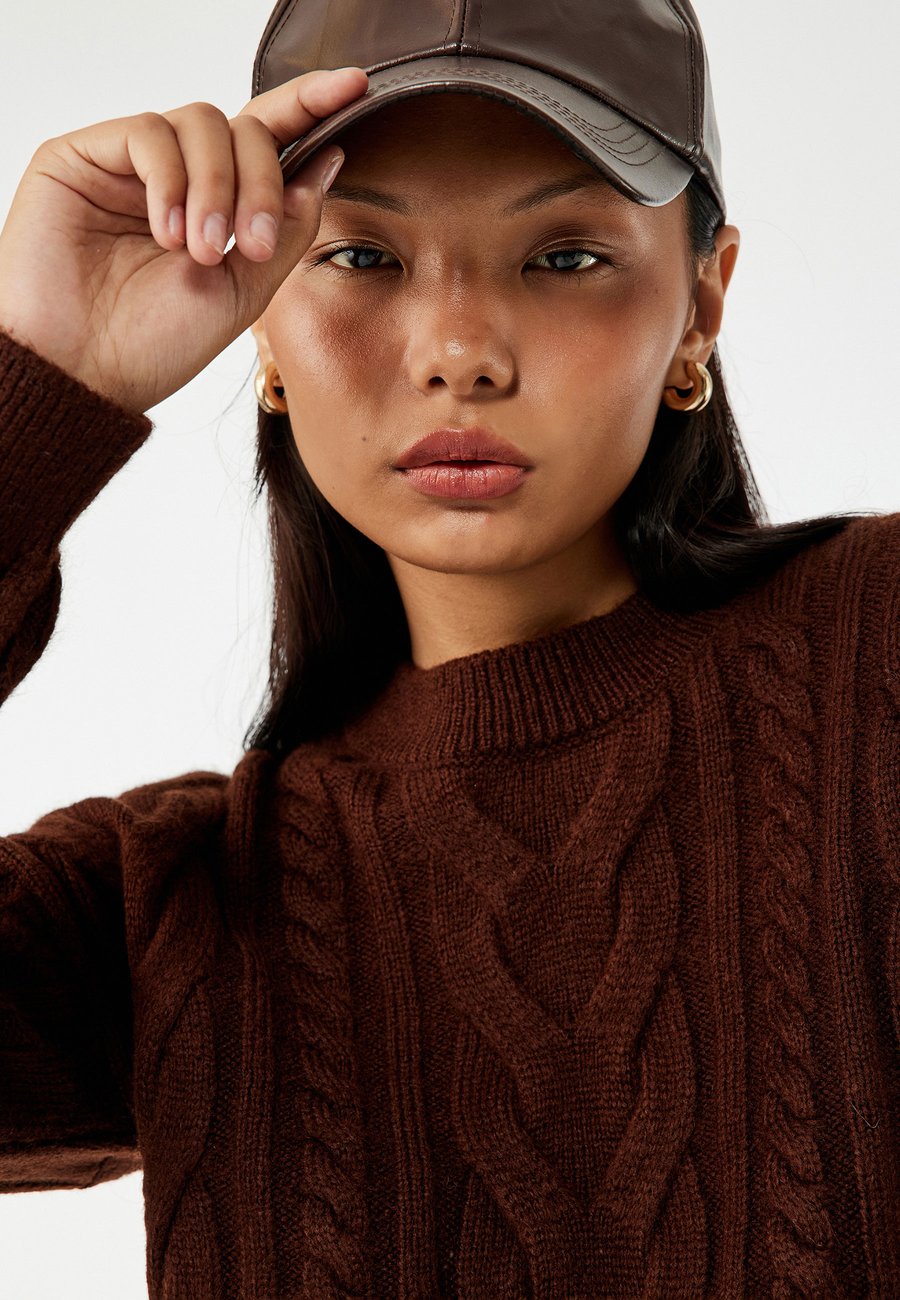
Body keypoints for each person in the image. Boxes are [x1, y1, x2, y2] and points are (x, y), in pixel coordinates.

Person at [0, 0, 896, 1296]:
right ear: (261, 320)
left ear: (701, 303)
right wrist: (35, 389)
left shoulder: (876, 656)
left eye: (566, 256)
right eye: (363, 257)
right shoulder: (171, 912)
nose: (459, 354)